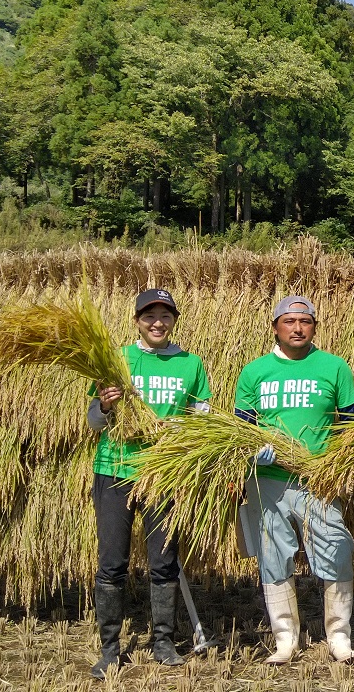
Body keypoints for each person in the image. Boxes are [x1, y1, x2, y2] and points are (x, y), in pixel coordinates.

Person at [88, 288, 212, 679]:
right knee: (112, 563)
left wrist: (182, 428)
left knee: (164, 561)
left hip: (165, 472)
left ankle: (163, 641)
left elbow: (203, 417)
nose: (157, 322)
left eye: (165, 315)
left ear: (174, 319)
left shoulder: (190, 363)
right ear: (137, 319)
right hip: (116, 470)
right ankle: (110, 648)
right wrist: (106, 405)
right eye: (149, 315)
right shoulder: (119, 360)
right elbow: (94, 421)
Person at [235, 296, 354, 664]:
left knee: (337, 552)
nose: (297, 328)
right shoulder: (254, 371)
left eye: (305, 321)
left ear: (314, 327)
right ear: (275, 327)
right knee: (274, 559)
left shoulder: (334, 368)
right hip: (268, 480)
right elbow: (240, 429)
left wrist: (337, 465)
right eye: (289, 321)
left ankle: (339, 636)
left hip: (318, 480)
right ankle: (285, 640)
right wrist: (252, 452)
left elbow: (353, 425)